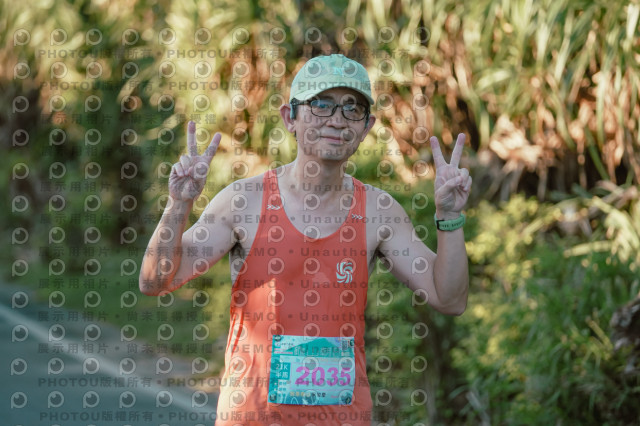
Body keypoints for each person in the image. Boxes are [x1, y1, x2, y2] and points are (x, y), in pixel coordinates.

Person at [139, 54, 472, 426]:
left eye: (352, 108)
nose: (336, 119)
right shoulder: (244, 202)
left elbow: (449, 298)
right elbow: (155, 281)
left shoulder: (379, 212)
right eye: (321, 104)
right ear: (290, 118)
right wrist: (178, 204)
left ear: (366, 127)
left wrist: (449, 217)